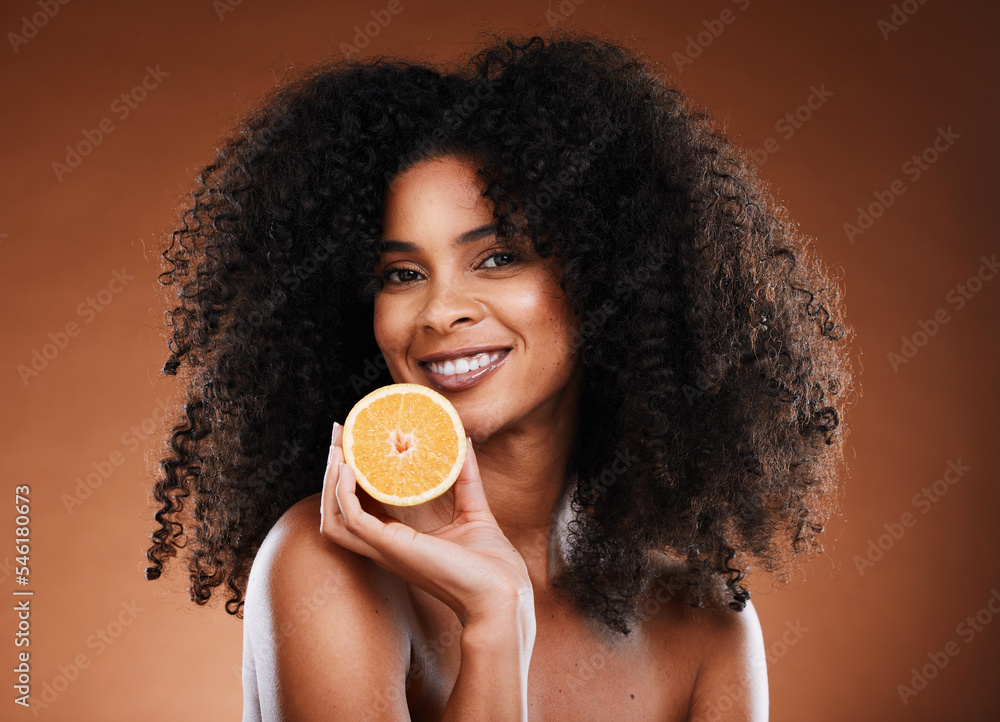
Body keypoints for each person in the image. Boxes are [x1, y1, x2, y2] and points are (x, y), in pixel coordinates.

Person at [144, 29, 854, 721]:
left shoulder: (706, 627)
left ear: (603, 280)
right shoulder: (327, 565)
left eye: (497, 257)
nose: (441, 310)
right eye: (403, 273)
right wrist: (493, 629)